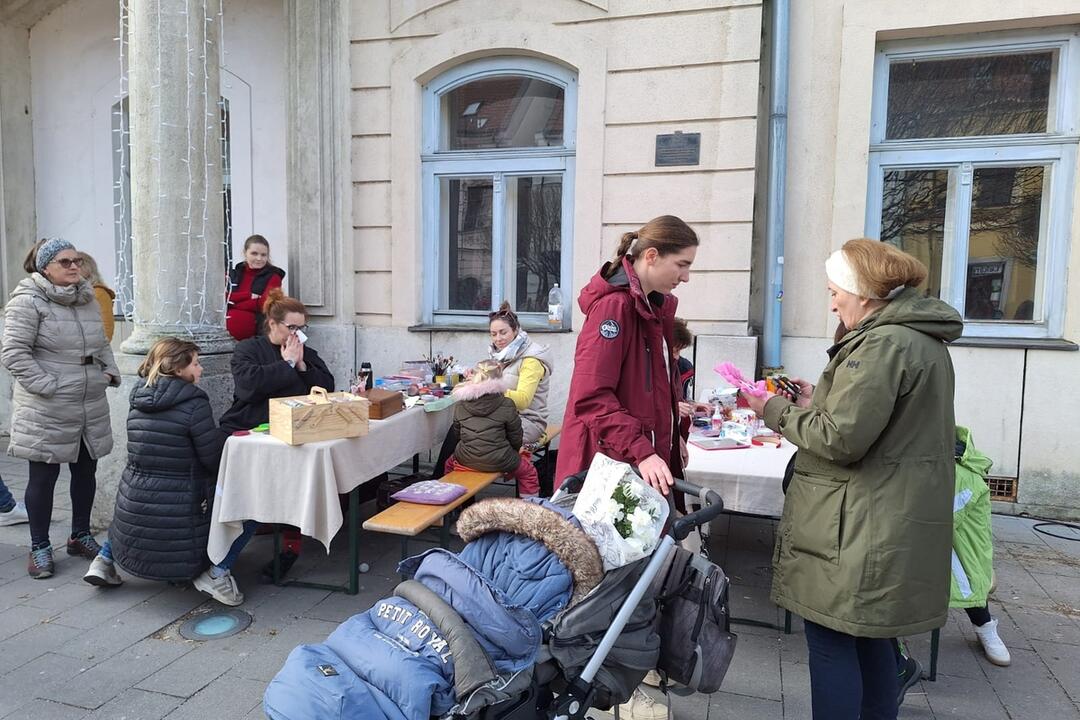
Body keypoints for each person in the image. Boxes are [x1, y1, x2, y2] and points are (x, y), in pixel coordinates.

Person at [741, 238, 961, 720]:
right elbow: (879, 421)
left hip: (860, 525)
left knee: (832, 640)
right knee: (872, 642)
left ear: (862, 292)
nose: (833, 300)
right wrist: (812, 400)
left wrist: (770, 409)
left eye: (835, 289)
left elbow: (841, 438)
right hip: (884, 517)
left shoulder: (881, 343)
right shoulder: (914, 337)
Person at [556, 215, 699, 720]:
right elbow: (591, 399)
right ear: (652, 256)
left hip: (627, 468)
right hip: (607, 472)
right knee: (609, 586)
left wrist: (670, 430)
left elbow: (645, 390)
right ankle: (606, 691)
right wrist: (644, 450)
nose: (685, 277)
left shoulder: (648, 308)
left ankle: (621, 685)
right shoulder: (615, 308)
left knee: (635, 580)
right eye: (681, 265)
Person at [82, 339, 238, 602]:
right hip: (182, 496)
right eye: (196, 363)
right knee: (241, 505)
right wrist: (227, 437)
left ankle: (104, 558)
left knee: (125, 518)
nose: (201, 369)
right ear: (179, 370)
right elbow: (210, 458)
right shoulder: (195, 402)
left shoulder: (139, 395)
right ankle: (215, 573)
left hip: (135, 492)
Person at [1, 238, 119, 579]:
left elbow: (100, 343)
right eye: (65, 262)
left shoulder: (87, 298)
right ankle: (39, 547)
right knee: (44, 476)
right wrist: (48, 386)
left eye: (77, 261)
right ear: (45, 268)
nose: (74, 267)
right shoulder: (27, 301)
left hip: (88, 398)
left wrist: (108, 371)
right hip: (47, 404)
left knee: (86, 470)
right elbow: (13, 353)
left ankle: (79, 535)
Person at [219, 289, 335, 581]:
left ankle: (290, 545)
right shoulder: (248, 349)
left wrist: (301, 365)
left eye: (302, 328)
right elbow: (249, 386)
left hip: (293, 432)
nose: (298, 334)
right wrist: (284, 365)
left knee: (300, 477)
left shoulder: (304, 352)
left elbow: (326, 386)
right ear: (272, 323)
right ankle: (227, 546)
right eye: (292, 327)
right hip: (249, 427)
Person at [445, 360, 539, 497]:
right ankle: (530, 507)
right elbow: (515, 436)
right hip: (502, 460)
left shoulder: (460, 404)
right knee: (528, 472)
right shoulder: (507, 403)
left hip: (466, 459)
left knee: (448, 465)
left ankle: (451, 503)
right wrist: (514, 450)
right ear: (500, 379)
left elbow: (457, 434)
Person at [226, 234, 285, 342]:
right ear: (245, 253)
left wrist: (233, 303)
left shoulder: (273, 276)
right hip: (223, 338)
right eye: (254, 253)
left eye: (263, 255)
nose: (259, 258)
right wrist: (248, 295)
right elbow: (221, 297)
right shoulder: (234, 274)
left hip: (256, 337)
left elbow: (265, 303)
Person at [76, 251, 116, 342]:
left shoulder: (99, 293)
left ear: (86, 268)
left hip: (90, 352)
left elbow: (107, 329)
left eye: (76, 264)